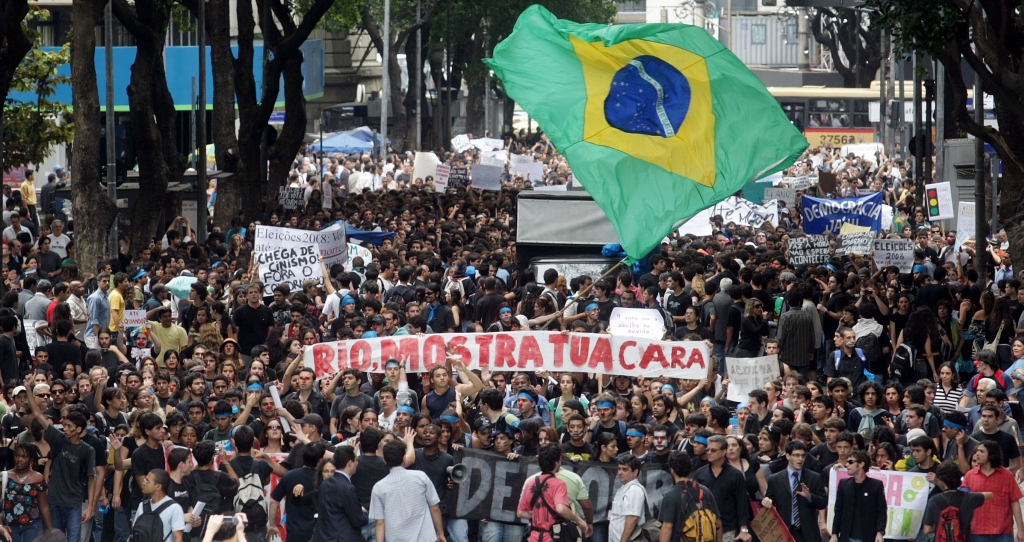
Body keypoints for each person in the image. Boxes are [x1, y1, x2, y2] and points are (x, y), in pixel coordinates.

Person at [28, 389, 96, 542]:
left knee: (74, 539)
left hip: (74, 503)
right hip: (54, 501)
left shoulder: (88, 450)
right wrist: (28, 387)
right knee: (54, 539)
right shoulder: (58, 439)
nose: (64, 429)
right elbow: (38, 414)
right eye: (64, 425)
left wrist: (91, 506)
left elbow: (91, 479)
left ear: (78, 429)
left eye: (68, 426)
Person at [369, 433, 446, 542]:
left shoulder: (378, 487)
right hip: (425, 537)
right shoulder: (420, 477)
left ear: (385, 460)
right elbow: (434, 508)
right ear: (404, 457)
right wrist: (440, 533)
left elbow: (380, 522)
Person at [516, 443, 589, 542]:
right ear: (556, 462)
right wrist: (578, 520)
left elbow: (520, 513)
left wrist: (539, 516)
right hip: (552, 537)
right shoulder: (559, 484)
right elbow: (561, 509)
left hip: (533, 537)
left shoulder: (530, 482)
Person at [761, 441, 826, 542]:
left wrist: (809, 496)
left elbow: (823, 502)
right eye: (796, 455)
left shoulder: (814, 477)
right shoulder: (775, 479)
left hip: (808, 533)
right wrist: (766, 501)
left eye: (803, 456)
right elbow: (769, 500)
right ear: (788, 456)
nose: (800, 459)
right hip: (784, 532)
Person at [961, 440, 1024, 540]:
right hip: (978, 532)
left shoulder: (1007, 475)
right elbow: (963, 503)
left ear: (991, 454)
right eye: (977, 451)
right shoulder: (969, 476)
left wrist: (1021, 530)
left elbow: (1015, 502)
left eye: (981, 451)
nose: (977, 454)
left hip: (1003, 532)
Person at [693, 435, 751, 542]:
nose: (709, 452)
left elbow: (742, 503)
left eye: (713, 450)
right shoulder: (700, 473)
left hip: (728, 529)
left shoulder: (736, 475)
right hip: (704, 529)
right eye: (708, 450)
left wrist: (744, 529)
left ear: (724, 452)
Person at [658, 450, 722, 542]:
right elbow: (717, 521)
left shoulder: (670, 495)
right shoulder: (705, 491)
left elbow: (667, 527)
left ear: (672, 470)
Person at [922, 461, 994, 540]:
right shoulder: (969, 497)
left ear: (941, 480)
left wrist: (940, 525)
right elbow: (990, 495)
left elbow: (927, 530)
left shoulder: (933, 500)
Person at [311, 445, 367, 542]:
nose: (357, 463)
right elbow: (358, 520)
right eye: (356, 460)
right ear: (350, 463)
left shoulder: (325, 483)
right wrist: (364, 512)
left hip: (325, 537)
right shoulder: (348, 488)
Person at [829, 450, 886, 542]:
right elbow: (838, 510)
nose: (847, 465)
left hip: (869, 536)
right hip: (847, 537)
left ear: (861, 464)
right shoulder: (843, 484)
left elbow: (881, 511)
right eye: (847, 462)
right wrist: (834, 533)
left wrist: (880, 531)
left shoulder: (876, 485)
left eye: (851, 462)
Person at [135, 469, 186, 542]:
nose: (143, 483)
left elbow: (178, 538)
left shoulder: (174, 508)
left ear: (158, 487)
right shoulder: (142, 505)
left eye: (147, 481)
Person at [608, 455, 649, 542]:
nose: (620, 472)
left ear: (635, 472)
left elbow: (633, 518)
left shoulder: (634, 490)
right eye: (619, 469)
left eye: (624, 469)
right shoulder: (624, 488)